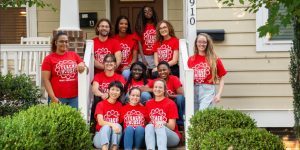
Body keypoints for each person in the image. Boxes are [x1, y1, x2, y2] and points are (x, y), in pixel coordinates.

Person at [42, 32, 86, 109]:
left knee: (74, 120)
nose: (64, 43)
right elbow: (46, 80)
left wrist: (82, 64)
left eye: (66, 41)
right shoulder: (49, 59)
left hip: (74, 98)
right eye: (61, 41)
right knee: (57, 120)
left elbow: (83, 65)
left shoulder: (73, 55)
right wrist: (53, 97)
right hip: (57, 97)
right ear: (55, 42)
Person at [187, 33, 227, 111]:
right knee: (194, 115)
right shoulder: (191, 59)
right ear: (196, 43)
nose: (202, 44)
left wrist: (219, 94)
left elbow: (221, 78)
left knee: (203, 113)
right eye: (199, 42)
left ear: (207, 44)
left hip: (207, 90)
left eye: (204, 42)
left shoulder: (214, 59)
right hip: (193, 89)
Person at [145, 79, 181, 150]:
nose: (157, 89)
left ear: (164, 90)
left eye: (160, 87)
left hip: (171, 137)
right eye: (155, 87)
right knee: (149, 126)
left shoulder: (170, 103)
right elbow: (147, 123)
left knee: (159, 126)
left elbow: (172, 127)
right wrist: (151, 123)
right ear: (153, 89)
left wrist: (163, 123)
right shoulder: (148, 103)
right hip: (155, 138)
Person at [146, 61, 185, 126]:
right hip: (159, 103)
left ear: (169, 70)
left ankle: (180, 122)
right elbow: (143, 89)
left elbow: (181, 94)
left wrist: (169, 95)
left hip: (172, 102)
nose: (162, 72)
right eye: (160, 71)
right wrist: (156, 90)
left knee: (180, 98)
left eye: (164, 70)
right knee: (145, 95)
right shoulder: (156, 81)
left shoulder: (174, 78)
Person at [93, 81, 124, 150]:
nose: (114, 92)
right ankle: (105, 148)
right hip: (100, 139)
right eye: (112, 89)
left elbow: (121, 123)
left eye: (117, 90)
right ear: (108, 91)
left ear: (120, 93)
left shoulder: (120, 105)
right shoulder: (100, 104)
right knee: (106, 126)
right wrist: (112, 125)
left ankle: (114, 148)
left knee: (118, 125)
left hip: (113, 139)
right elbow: (100, 122)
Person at [135, 6, 159, 76]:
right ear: (143, 14)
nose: (148, 13)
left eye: (150, 10)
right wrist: (143, 59)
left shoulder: (157, 25)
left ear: (153, 12)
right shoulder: (140, 26)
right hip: (144, 55)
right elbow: (139, 43)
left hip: (155, 55)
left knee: (154, 74)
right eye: (145, 12)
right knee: (144, 75)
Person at [113, 16, 138, 80]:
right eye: (121, 23)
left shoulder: (132, 38)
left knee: (126, 73)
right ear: (117, 25)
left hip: (128, 67)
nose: (124, 25)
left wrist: (128, 66)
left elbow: (134, 58)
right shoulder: (113, 39)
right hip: (115, 67)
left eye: (126, 24)